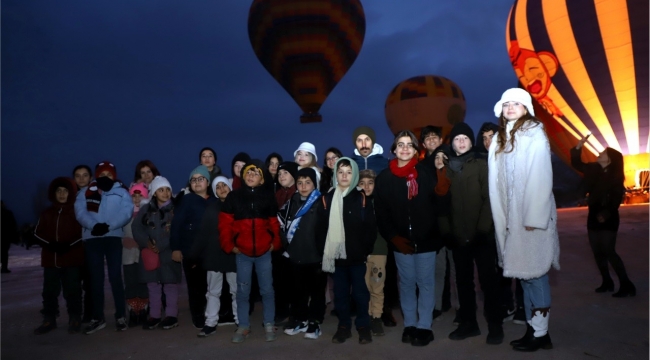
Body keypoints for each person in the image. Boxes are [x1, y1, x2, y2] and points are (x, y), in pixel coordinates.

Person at [488, 88, 560, 352]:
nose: (510, 107)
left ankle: (541, 333)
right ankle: (534, 327)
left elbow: (541, 177)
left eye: (516, 103)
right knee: (524, 277)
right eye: (506, 103)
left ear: (526, 107)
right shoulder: (500, 139)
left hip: (530, 218)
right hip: (511, 219)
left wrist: (533, 217)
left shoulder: (534, 133)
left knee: (536, 274)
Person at [374, 131, 441, 347]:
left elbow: (438, 206)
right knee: (407, 283)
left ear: (415, 149)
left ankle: (424, 326)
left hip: (426, 240)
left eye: (409, 144)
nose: (404, 148)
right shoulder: (385, 177)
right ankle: (410, 324)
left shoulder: (426, 173)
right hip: (400, 241)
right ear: (393, 150)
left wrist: (434, 234)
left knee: (426, 283)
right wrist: (393, 237)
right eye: (400, 144)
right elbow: (381, 212)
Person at [442, 122, 504, 345]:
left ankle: (495, 325)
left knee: (489, 282)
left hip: (481, 236)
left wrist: (483, 229)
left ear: (471, 142)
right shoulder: (446, 168)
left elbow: (490, 198)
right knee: (463, 283)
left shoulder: (481, 164)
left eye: (465, 138)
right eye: (457, 138)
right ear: (452, 143)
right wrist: (447, 231)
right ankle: (469, 324)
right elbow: (441, 203)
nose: (461, 141)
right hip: (458, 237)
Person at [219, 159, 281, 343]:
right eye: (248, 172)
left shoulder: (268, 196)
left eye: (256, 173)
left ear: (262, 179)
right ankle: (244, 325)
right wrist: (230, 246)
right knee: (243, 291)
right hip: (243, 254)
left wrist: (275, 243)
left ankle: (269, 322)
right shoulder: (234, 197)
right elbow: (224, 225)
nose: (251, 175)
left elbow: (274, 223)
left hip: (264, 253)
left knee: (267, 290)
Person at [321, 157, 376, 345]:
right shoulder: (327, 198)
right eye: (341, 172)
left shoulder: (361, 197)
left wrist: (364, 251)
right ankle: (344, 326)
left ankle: (363, 326)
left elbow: (370, 228)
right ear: (335, 174)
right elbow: (320, 228)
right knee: (341, 294)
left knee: (361, 293)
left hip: (357, 257)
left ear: (354, 175)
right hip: (336, 259)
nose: (344, 176)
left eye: (349, 172)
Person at [74, 161, 134, 334]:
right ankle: (97, 317)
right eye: (102, 174)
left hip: (113, 237)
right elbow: (80, 212)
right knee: (95, 279)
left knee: (115, 277)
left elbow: (126, 211)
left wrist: (109, 225)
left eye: (108, 174)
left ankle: (121, 316)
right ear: (96, 176)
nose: (105, 177)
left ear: (114, 176)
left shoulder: (121, 191)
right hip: (93, 239)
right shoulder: (85, 192)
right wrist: (94, 226)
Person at [571, 138, 635, 297]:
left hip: (609, 216)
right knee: (597, 251)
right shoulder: (594, 169)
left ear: (610, 159)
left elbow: (615, 200)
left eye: (603, 153)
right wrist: (578, 147)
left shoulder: (616, 178)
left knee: (609, 251)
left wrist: (605, 214)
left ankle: (626, 284)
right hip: (594, 214)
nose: (599, 153)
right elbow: (577, 164)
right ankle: (607, 281)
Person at [349, 126, 397, 328]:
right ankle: (364, 311)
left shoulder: (384, 163)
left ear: (373, 141)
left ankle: (383, 311)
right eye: (359, 140)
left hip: (381, 229)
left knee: (384, 274)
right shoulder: (351, 164)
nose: (363, 144)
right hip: (359, 229)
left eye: (367, 139)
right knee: (361, 278)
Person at [277, 168, 327, 339]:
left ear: (314, 184)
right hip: (296, 256)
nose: (304, 186)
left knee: (317, 292)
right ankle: (300, 319)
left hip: (316, 256)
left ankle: (315, 322)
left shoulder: (321, 201)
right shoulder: (292, 201)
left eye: (308, 182)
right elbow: (282, 225)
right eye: (300, 183)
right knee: (298, 291)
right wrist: (287, 247)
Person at [33, 177, 84, 334]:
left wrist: (69, 245)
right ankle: (49, 319)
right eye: (59, 191)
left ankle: (75, 318)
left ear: (70, 193)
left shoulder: (76, 212)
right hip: (51, 260)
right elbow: (37, 233)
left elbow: (83, 233)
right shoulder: (47, 213)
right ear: (53, 193)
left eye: (65, 191)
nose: (62, 194)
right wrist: (50, 244)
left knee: (73, 291)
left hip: (71, 259)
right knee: (49, 292)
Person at [190, 176, 238, 337]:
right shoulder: (211, 209)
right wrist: (193, 255)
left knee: (237, 291)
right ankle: (210, 323)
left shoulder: (238, 207)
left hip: (233, 254)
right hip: (214, 257)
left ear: (230, 187)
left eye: (225, 185)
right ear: (215, 191)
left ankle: (240, 320)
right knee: (212, 292)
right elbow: (202, 234)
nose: (222, 189)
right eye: (218, 187)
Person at [170, 165, 217, 329]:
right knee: (195, 286)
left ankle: (210, 313)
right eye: (193, 179)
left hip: (211, 252)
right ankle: (197, 316)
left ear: (208, 182)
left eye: (201, 179)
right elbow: (176, 224)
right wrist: (176, 247)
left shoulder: (214, 200)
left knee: (210, 286)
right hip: (191, 251)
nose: (197, 182)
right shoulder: (187, 200)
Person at [132, 176, 182, 330]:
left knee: (170, 284)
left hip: (168, 253)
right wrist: (146, 242)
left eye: (168, 190)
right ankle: (154, 315)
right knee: (153, 285)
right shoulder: (146, 209)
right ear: (154, 193)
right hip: (151, 254)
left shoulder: (175, 209)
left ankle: (171, 315)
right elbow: (136, 228)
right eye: (161, 190)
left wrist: (161, 245)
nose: (165, 193)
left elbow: (177, 230)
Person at [358, 169, 388, 337]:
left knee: (377, 285)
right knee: (363, 285)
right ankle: (366, 315)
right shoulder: (355, 203)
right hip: (360, 252)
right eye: (362, 183)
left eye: (370, 183)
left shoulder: (380, 203)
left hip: (378, 250)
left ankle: (376, 316)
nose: (366, 187)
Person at [273, 161, 299, 326]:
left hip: (294, 244)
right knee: (279, 280)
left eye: (285, 173)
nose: (282, 176)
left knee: (294, 281)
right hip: (278, 244)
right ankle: (282, 312)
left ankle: (295, 314)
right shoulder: (277, 195)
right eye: (280, 174)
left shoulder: (298, 194)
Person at [123, 183, 150, 327]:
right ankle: (133, 311)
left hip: (143, 254)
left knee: (143, 282)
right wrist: (123, 240)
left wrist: (143, 242)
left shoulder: (147, 213)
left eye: (141, 195)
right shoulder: (125, 213)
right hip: (127, 254)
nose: (137, 198)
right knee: (130, 282)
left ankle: (144, 311)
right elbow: (118, 229)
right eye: (134, 195)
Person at [71, 164, 93, 322]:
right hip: (73, 247)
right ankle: (75, 315)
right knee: (73, 284)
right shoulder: (69, 196)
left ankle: (89, 314)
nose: (81, 179)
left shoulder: (94, 195)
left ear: (91, 178)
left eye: (85, 175)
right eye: (78, 175)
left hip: (89, 244)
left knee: (90, 282)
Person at [1, 201, 18, 273]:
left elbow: (13, 225)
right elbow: (13, 225)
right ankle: (4, 268)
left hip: (5, 236)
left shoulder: (8, 213)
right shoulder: (8, 213)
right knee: (4, 252)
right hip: (5, 236)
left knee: (4, 252)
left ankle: (4, 267)